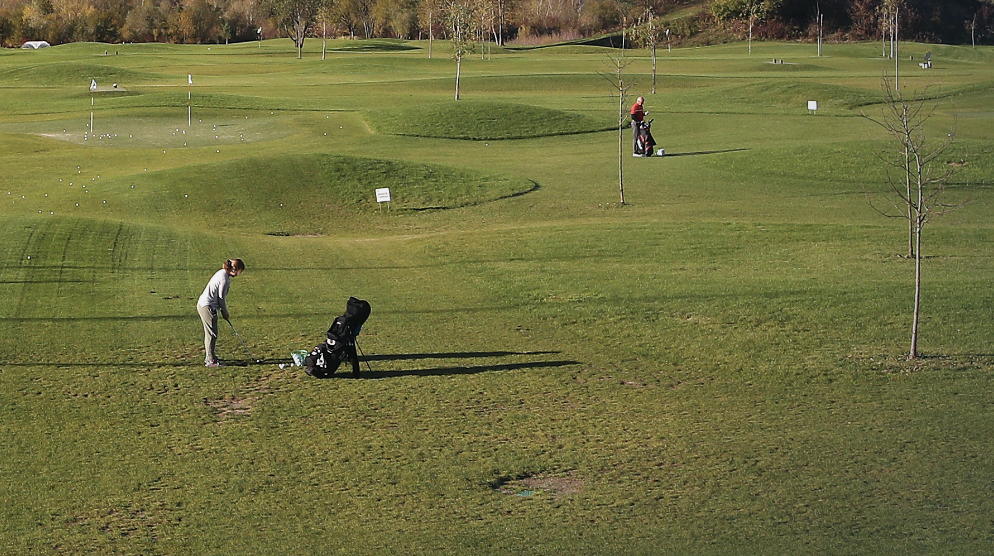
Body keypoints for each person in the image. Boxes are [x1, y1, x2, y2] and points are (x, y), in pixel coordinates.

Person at [197, 258, 245, 367]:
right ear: (234, 269)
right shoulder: (224, 279)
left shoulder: (222, 273)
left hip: (204, 305)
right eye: (239, 271)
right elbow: (221, 298)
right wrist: (225, 312)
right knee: (212, 334)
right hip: (207, 306)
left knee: (212, 333)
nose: (239, 274)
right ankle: (210, 360)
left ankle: (211, 356)